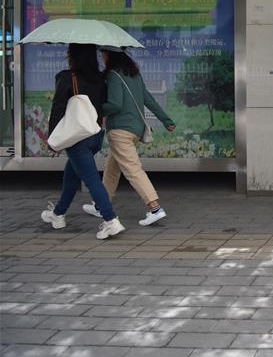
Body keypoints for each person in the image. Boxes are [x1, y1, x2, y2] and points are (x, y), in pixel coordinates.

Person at [41, 44, 125, 240]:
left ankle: (111, 220)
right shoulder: (100, 78)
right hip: (95, 135)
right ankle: (58, 214)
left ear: (72, 55)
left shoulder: (66, 77)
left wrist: (52, 138)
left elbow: (58, 108)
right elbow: (103, 106)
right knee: (72, 174)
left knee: (91, 180)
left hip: (76, 138)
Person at [83, 48, 175, 226]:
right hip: (135, 130)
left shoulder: (113, 75)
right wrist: (166, 120)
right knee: (112, 167)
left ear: (109, 56)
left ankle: (155, 208)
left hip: (120, 130)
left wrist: (96, 110)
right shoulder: (134, 75)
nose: (101, 56)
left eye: (103, 54)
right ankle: (101, 205)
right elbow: (148, 99)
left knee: (133, 169)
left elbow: (115, 104)